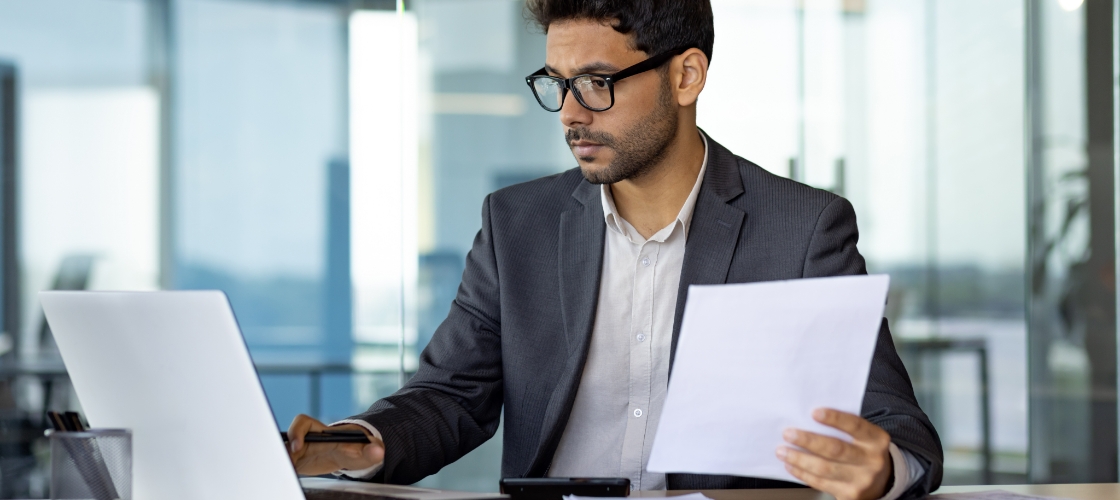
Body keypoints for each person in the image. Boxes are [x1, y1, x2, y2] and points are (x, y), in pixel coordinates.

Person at [287, 1, 944, 499]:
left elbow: (899, 429)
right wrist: (348, 444)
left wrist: (879, 469)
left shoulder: (801, 228)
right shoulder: (519, 224)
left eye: (597, 82)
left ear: (686, 76)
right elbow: (449, 396)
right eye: (558, 83)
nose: (571, 113)